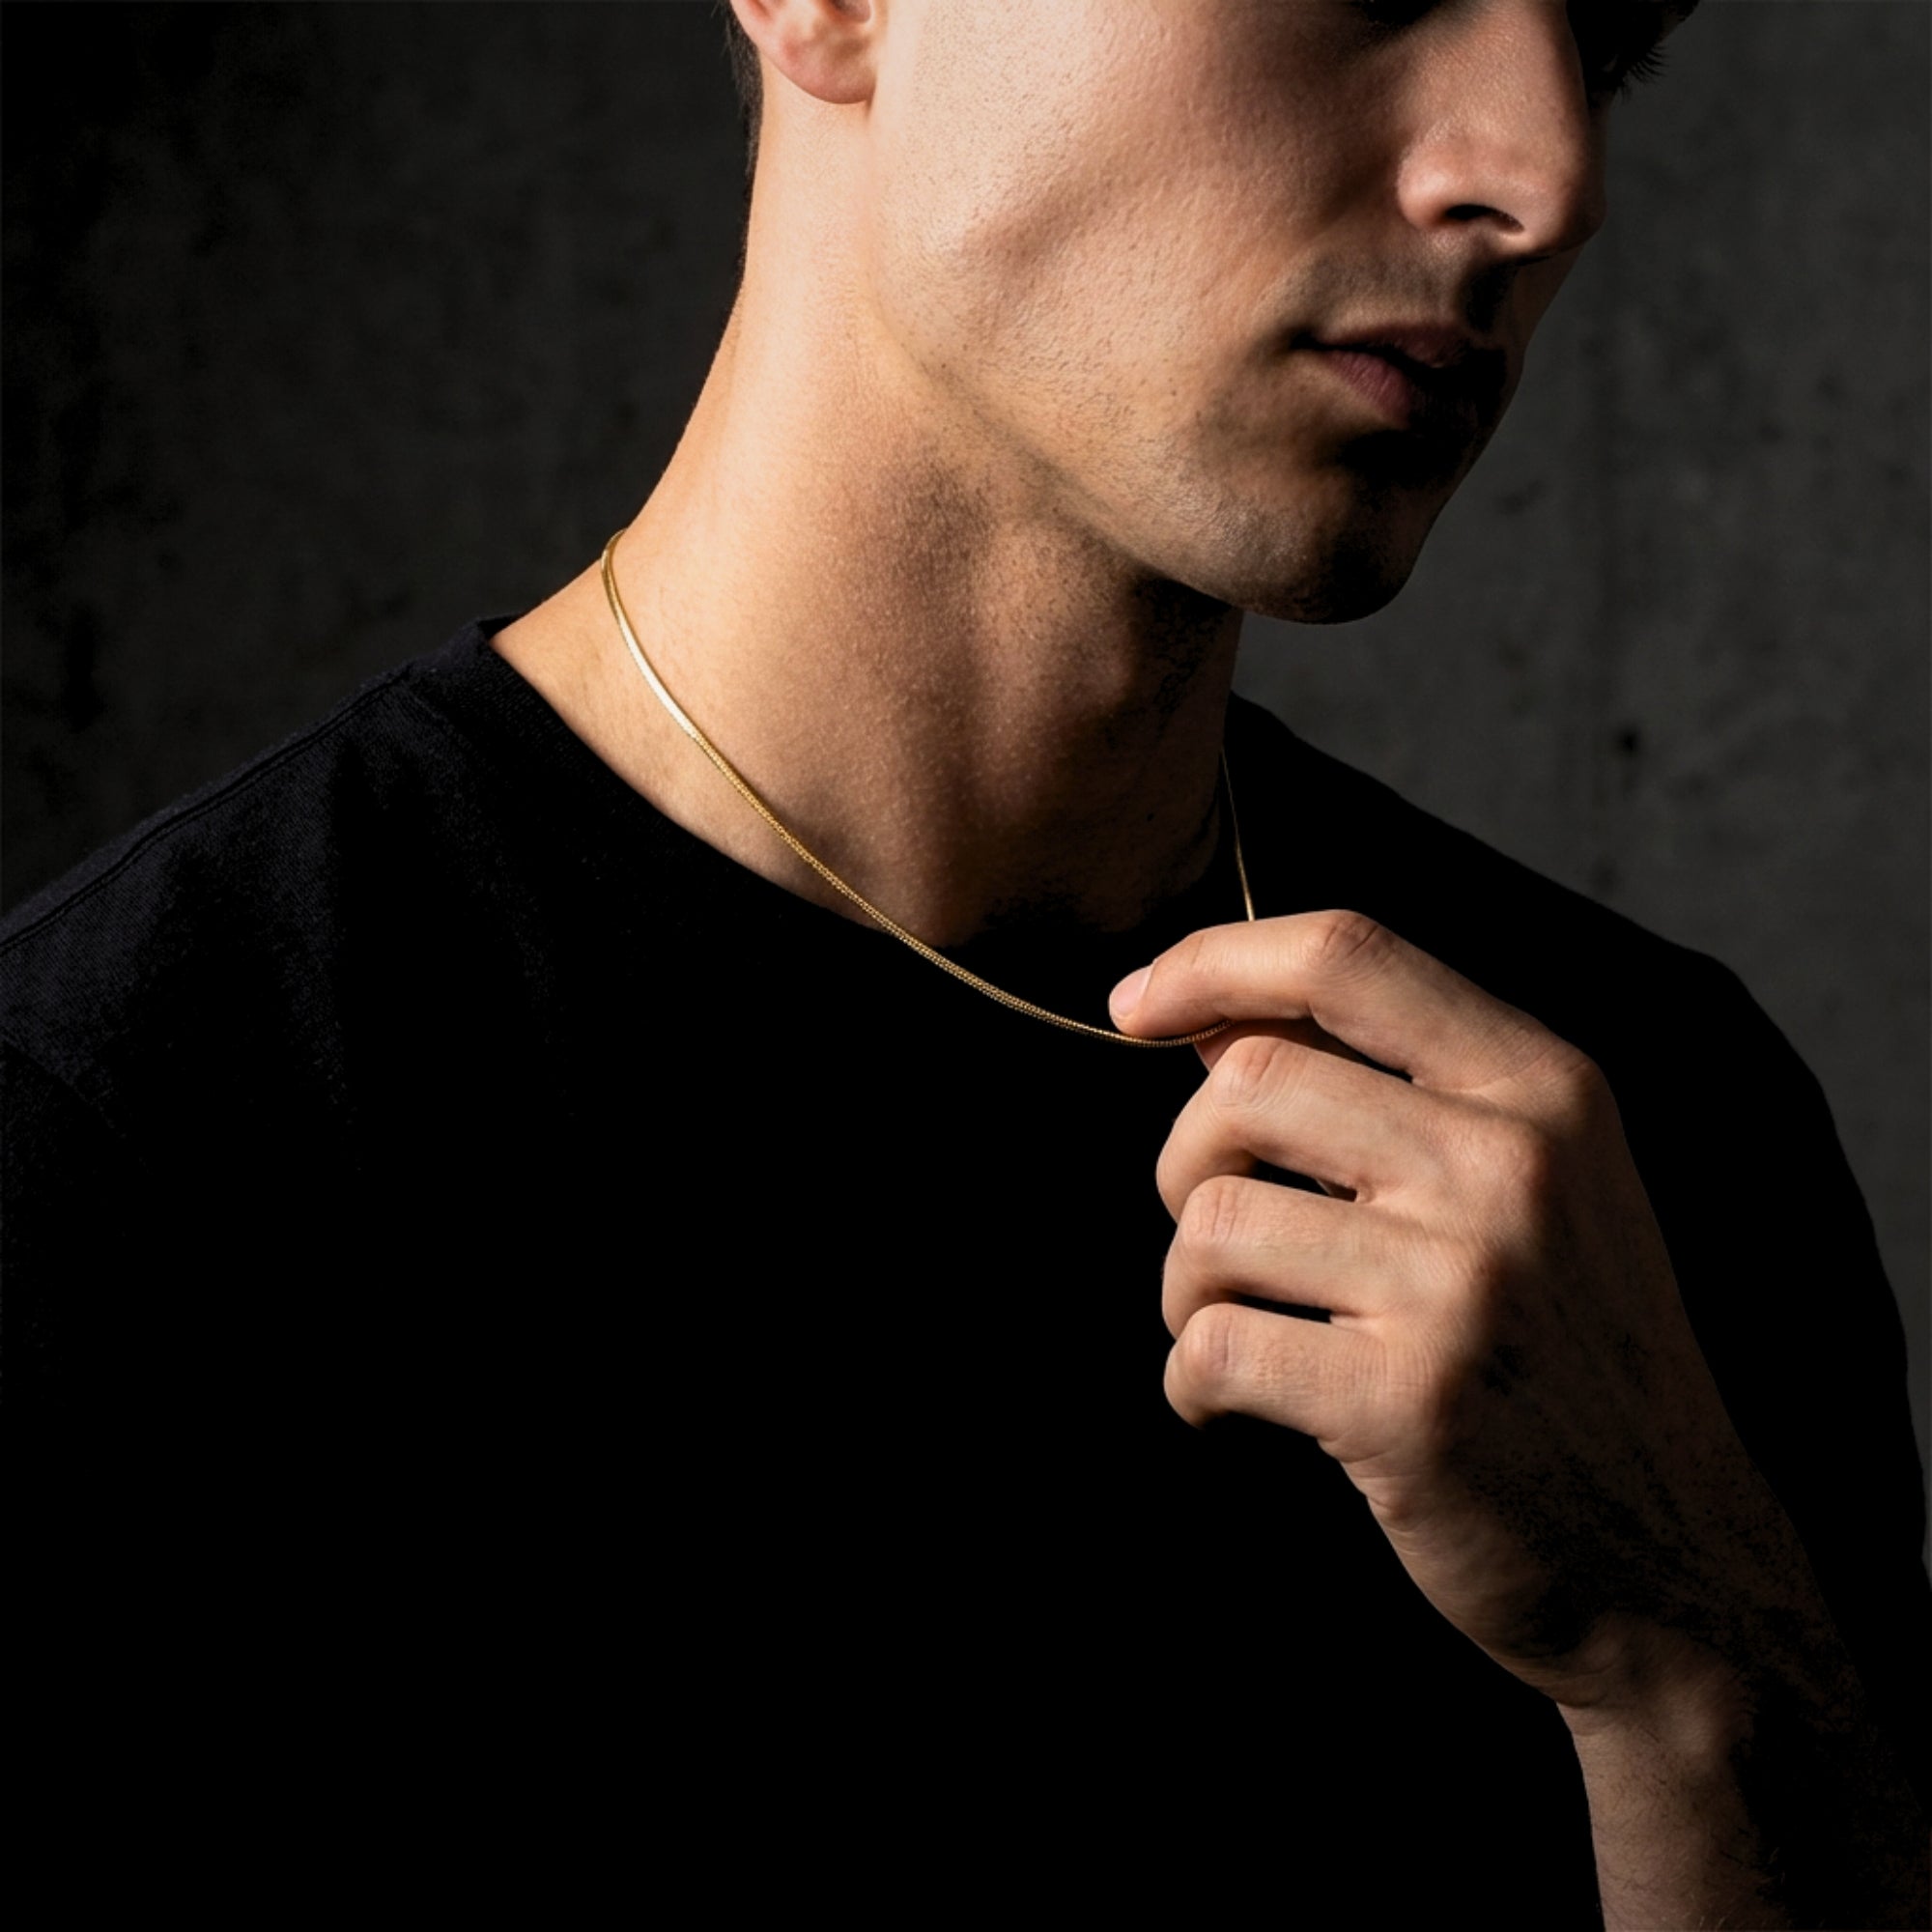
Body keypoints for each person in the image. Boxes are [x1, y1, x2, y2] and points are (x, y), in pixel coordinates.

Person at [4, 2, 1925, 1922]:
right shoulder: (117, 1149)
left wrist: (1697, 1686)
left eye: (1606, 42)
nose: (1541, 174)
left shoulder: (1642, 1133)